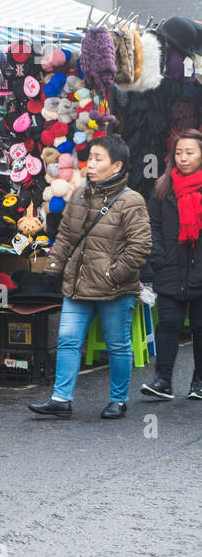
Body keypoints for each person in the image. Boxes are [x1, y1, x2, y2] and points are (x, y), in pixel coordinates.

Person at [28, 134, 152, 419]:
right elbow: (66, 237)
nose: (91, 164)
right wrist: (52, 270)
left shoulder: (131, 201)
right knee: (68, 339)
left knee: (117, 344)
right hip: (78, 284)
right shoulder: (80, 194)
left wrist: (113, 274)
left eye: (98, 159)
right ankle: (61, 399)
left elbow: (140, 246)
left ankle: (118, 400)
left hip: (114, 289)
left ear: (117, 165)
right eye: (90, 158)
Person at [142, 129, 202, 400]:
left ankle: (199, 382)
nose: (183, 158)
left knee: (200, 328)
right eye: (179, 153)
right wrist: (158, 257)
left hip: (199, 268)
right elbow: (152, 225)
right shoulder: (163, 188)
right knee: (168, 324)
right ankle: (162, 381)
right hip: (170, 268)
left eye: (190, 152)